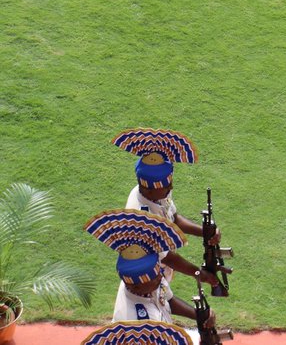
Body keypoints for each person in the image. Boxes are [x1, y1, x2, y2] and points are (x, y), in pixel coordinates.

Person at [111, 128, 227, 289]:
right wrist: (199, 274)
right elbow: (167, 258)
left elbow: (173, 218)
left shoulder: (157, 192)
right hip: (148, 281)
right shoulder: (143, 221)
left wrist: (205, 231)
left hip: (160, 275)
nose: (170, 187)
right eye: (166, 185)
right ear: (149, 189)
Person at [85, 209, 216, 328]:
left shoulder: (145, 281)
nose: (161, 277)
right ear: (137, 287)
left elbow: (167, 299)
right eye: (156, 278)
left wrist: (199, 315)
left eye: (158, 272)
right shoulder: (139, 323)